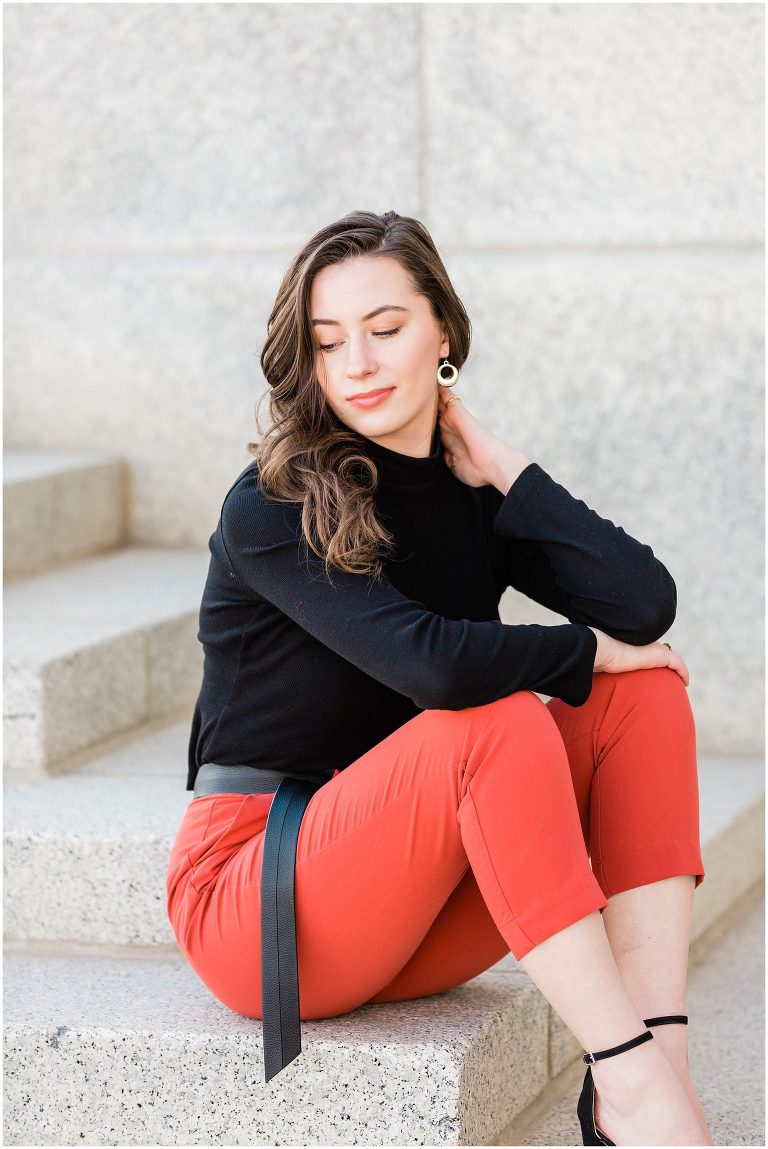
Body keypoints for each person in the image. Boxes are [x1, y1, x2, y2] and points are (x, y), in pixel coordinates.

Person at [166, 210, 712, 1145]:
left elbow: (645, 606)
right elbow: (432, 663)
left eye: (386, 329)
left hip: (415, 897)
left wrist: (506, 467)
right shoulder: (274, 501)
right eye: (330, 343)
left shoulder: (471, 493)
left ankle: (658, 1064)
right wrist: (577, 652)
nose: (360, 364)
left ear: (443, 334)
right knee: (489, 717)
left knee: (645, 694)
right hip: (260, 895)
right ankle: (628, 1081)